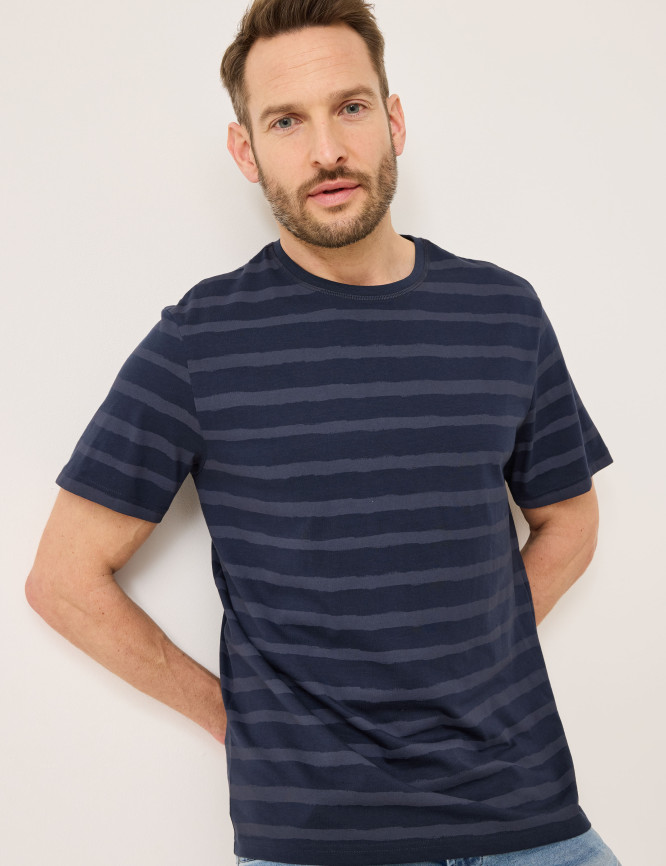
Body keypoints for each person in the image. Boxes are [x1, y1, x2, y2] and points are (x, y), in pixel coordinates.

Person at [25, 1, 620, 864]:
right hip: (319, 840)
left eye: (350, 107)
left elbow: (570, 518)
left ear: (394, 121)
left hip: (528, 816)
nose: (326, 150)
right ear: (246, 152)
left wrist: (478, 654)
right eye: (286, 122)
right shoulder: (200, 341)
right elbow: (63, 581)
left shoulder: (502, 312)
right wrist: (236, 718)